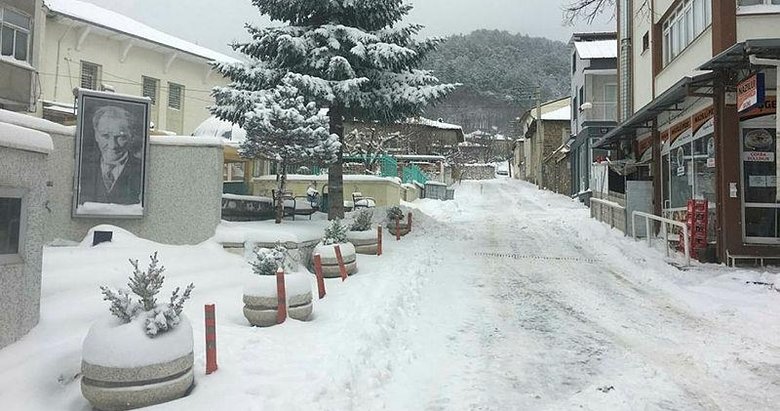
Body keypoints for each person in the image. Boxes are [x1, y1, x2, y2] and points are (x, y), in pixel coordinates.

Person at [79, 105, 143, 205]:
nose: (112, 145)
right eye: (105, 136)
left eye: (121, 137)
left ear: (132, 137)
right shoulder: (82, 167)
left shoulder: (141, 170)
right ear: (96, 135)